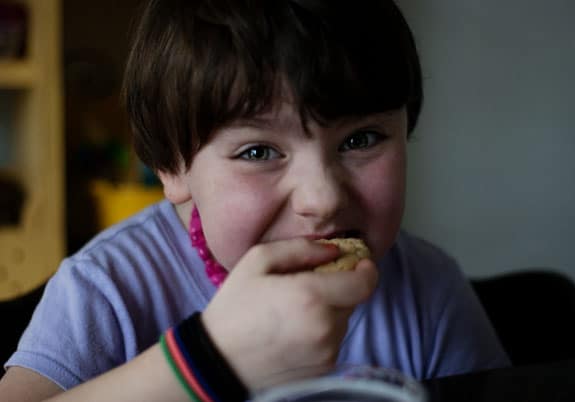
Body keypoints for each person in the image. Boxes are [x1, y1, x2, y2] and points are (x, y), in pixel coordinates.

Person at [0, 0, 510, 400]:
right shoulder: (107, 290)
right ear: (173, 169)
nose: (323, 199)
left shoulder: (430, 293)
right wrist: (209, 361)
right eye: (259, 150)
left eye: (361, 139)